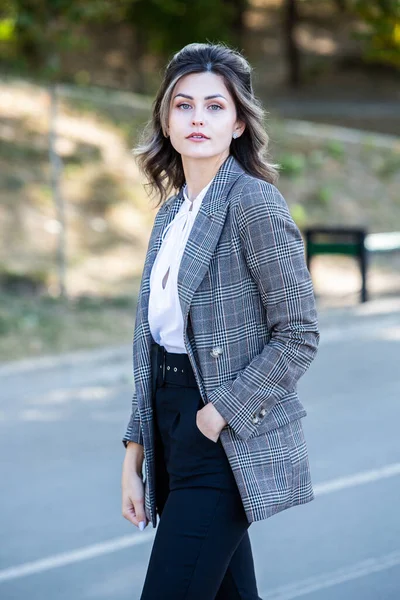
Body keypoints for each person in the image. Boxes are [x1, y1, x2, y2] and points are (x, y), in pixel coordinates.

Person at [121, 42, 320, 600]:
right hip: (169, 429)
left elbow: (299, 334)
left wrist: (219, 416)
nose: (198, 119)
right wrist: (134, 455)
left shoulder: (254, 204)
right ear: (166, 118)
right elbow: (152, 347)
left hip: (222, 439)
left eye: (215, 106)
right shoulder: (171, 213)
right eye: (184, 106)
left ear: (238, 124)